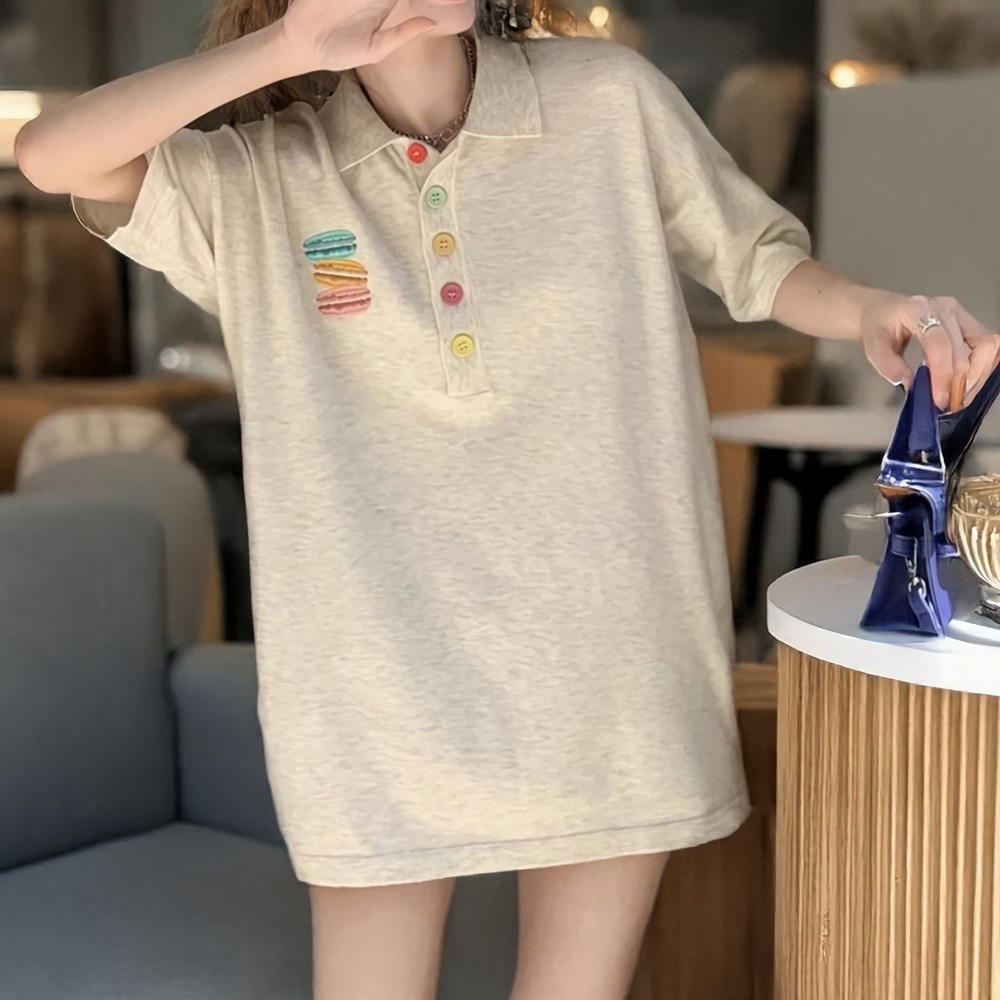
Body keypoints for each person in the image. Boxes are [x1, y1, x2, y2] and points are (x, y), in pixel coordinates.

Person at [15, 0, 999, 997]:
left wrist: (877, 309)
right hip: (369, 673)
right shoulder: (256, 176)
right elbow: (54, 156)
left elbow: (759, 259)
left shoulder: (609, 98)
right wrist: (290, 46)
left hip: (612, 648)